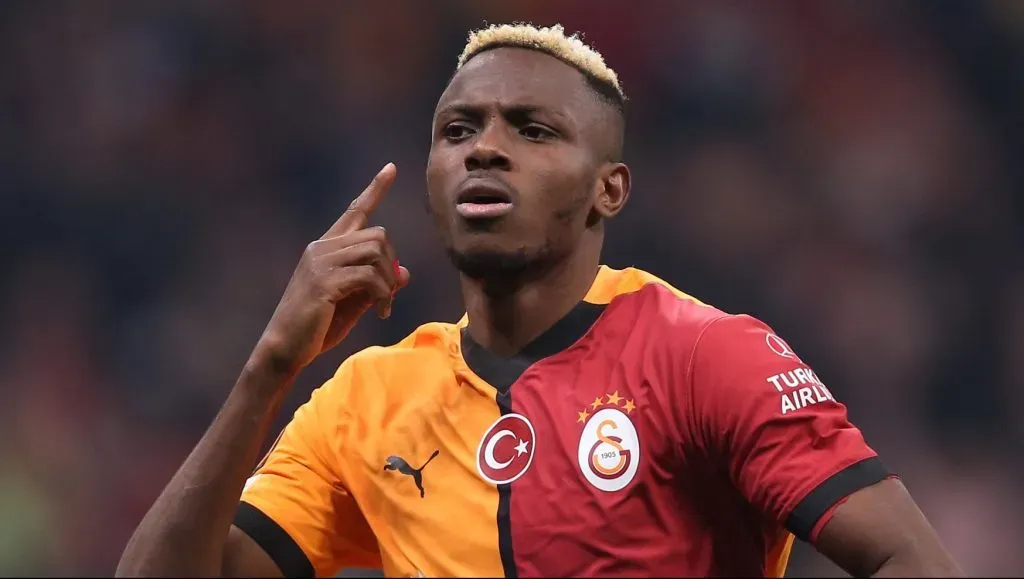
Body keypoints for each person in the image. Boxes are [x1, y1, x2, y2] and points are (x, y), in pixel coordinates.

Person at [116, 23, 964, 578]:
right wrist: (268, 368)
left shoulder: (706, 355)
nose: (486, 148)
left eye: (532, 129)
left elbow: (908, 558)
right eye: (459, 130)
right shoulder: (365, 402)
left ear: (610, 190)